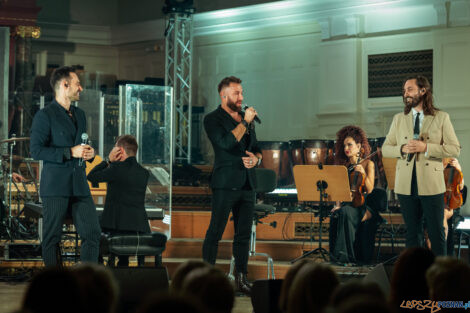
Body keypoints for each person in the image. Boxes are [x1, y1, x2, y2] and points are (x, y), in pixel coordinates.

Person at [30, 66, 101, 266]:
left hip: (79, 185)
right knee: (52, 238)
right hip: (55, 187)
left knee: (93, 234)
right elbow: (35, 151)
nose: (81, 89)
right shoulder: (45, 115)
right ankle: (56, 287)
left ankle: (87, 282)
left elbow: (83, 143)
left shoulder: (80, 114)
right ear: (65, 84)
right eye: (78, 84)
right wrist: (69, 152)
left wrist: (90, 152)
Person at [382, 75, 460, 256]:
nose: (405, 94)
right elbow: (386, 149)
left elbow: (454, 148)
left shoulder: (441, 117)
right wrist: (401, 148)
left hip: (432, 185)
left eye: (409, 89)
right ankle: (414, 275)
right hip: (405, 185)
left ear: (423, 90)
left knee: (436, 232)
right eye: (404, 91)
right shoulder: (398, 119)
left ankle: (441, 275)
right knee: (412, 234)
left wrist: (426, 148)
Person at [202, 76, 262, 295]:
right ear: (223, 95)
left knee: (243, 235)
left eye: (242, 92)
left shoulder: (246, 118)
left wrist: (257, 159)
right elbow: (226, 143)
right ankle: (207, 279)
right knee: (215, 231)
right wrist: (244, 122)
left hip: (247, 183)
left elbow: (256, 147)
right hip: (225, 183)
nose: (241, 97)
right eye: (236, 93)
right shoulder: (212, 119)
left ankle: (241, 278)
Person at [87, 135, 150, 266]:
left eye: (115, 148)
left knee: (90, 231)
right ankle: (123, 266)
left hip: (116, 226)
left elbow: (91, 176)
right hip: (139, 226)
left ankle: (99, 270)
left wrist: (107, 160)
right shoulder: (144, 172)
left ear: (120, 151)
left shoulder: (116, 168)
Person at [329, 125, 376, 264]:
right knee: (337, 213)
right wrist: (337, 205)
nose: (346, 148)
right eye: (344, 145)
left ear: (359, 145)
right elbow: (338, 189)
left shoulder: (368, 164)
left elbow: (370, 189)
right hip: (348, 204)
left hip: (364, 205)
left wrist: (362, 173)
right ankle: (335, 256)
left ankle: (345, 257)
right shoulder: (343, 166)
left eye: (349, 144)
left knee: (346, 213)